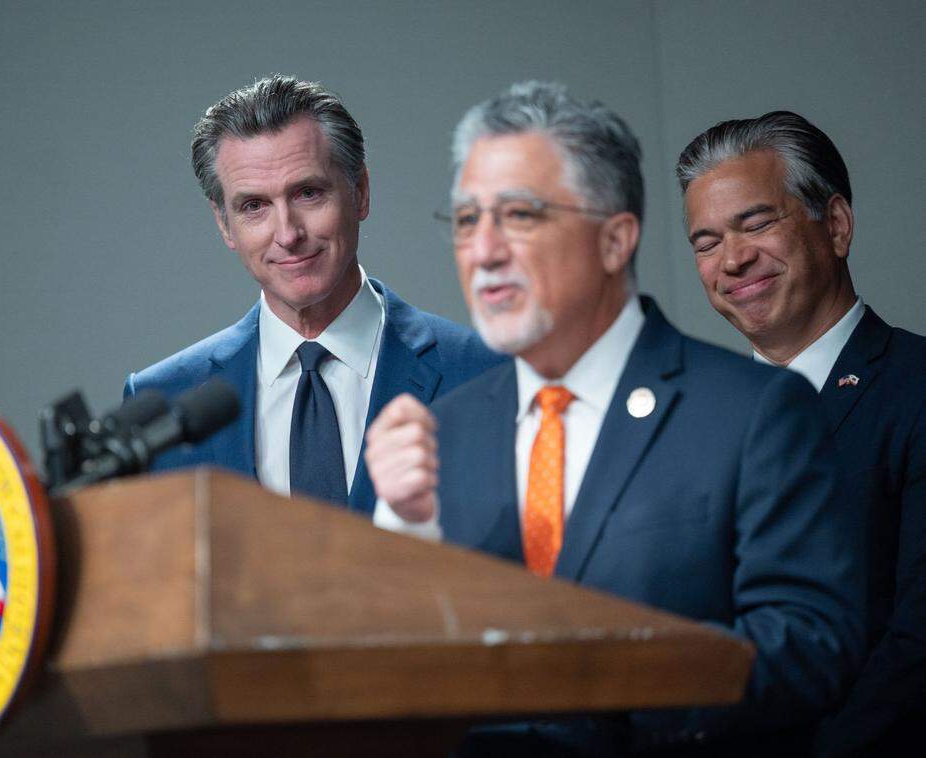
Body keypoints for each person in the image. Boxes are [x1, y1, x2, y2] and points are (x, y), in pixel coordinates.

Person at [364, 82, 863, 753]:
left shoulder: (754, 412)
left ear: (614, 240)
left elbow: (811, 647)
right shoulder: (443, 432)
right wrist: (403, 536)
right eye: (466, 220)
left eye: (519, 215)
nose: (483, 251)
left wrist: (609, 673)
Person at [125, 75, 500, 512]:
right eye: (254, 206)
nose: (287, 234)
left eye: (308, 193)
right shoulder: (163, 404)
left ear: (360, 192)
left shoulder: (487, 375)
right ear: (224, 224)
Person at [677, 111, 926, 757]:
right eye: (706, 242)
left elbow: (917, 646)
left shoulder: (916, 388)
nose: (733, 259)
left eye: (757, 223)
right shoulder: (691, 422)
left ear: (836, 225)